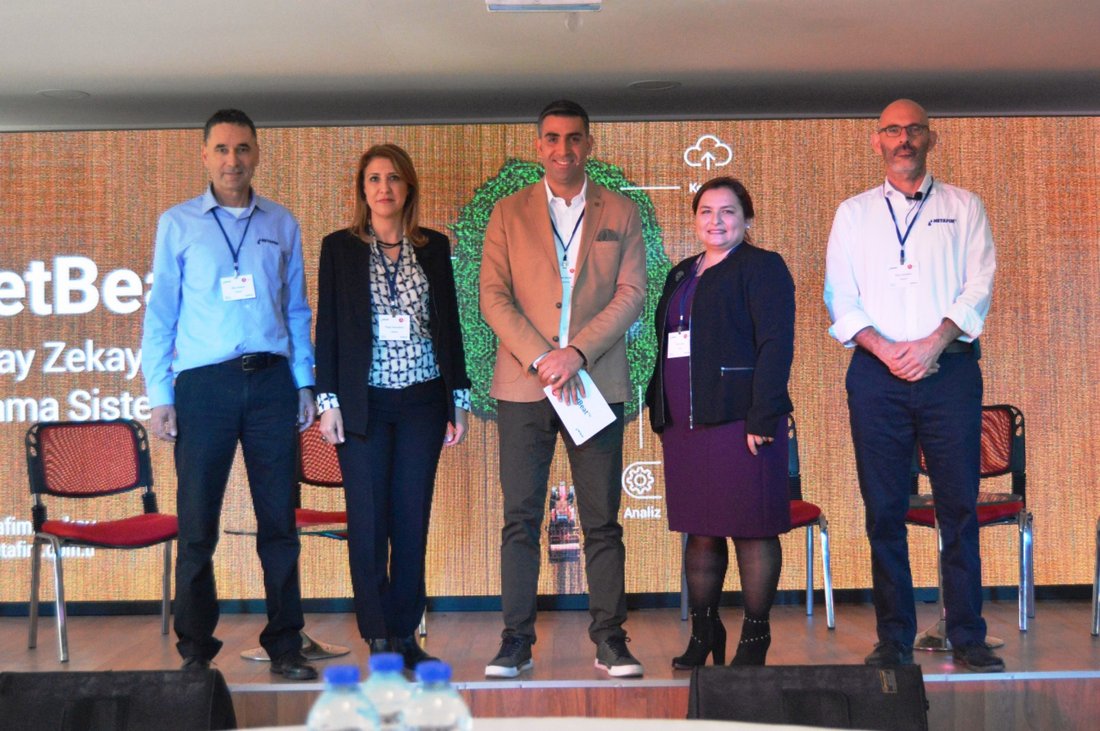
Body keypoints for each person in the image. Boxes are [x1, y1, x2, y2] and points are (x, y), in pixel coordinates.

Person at [824, 98, 1002, 672]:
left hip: (949, 371)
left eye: (914, 130)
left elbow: (979, 285)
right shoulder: (853, 213)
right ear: (877, 141)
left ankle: (967, 634)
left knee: (958, 507)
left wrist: (932, 344)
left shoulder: (964, 206)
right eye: (893, 130)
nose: (904, 139)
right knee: (883, 510)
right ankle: (894, 638)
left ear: (931, 139)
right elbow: (839, 296)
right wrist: (886, 350)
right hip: (876, 376)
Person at [142, 108, 318, 680]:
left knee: (279, 524)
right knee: (197, 525)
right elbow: (161, 314)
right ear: (204, 155)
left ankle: (286, 644)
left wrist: (304, 382)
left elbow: (296, 310)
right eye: (221, 149)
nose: (232, 160)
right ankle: (195, 650)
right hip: (204, 386)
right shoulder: (178, 224)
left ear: (257, 153)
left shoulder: (281, 222)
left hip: (271, 383)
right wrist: (159, 393)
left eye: (242, 148)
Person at [479, 99, 647, 678]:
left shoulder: (620, 210)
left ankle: (611, 640)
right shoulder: (508, 212)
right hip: (524, 385)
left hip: (594, 381)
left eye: (574, 138)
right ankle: (515, 642)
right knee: (520, 518)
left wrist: (576, 354)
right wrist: (542, 358)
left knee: (602, 520)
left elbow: (632, 293)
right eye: (552, 138)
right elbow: (493, 296)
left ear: (589, 145)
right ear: (538, 147)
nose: (563, 148)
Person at [314, 143, 470, 670]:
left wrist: (458, 399)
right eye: (375, 179)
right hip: (364, 405)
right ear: (363, 189)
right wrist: (328, 401)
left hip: (423, 401)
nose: (384, 188)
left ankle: (404, 633)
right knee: (368, 521)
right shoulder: (339, 248)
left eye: (394, 178)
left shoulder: (434, 246)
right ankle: (378, 634)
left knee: (410, 519)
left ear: (408, 188)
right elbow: (329, 329)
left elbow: (448, 327)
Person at [646, 177, 795, 667]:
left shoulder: (763, 267)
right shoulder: (681, 273)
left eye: (728, 211)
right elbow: (666, 343)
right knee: (701, 530)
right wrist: (657, 406)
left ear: (746, 219)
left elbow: (776, 344)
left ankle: (755, 638)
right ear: (695, 219)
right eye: (706, 211)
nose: (716, 221)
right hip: (685, 425)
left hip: (741, 420)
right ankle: (705, 632)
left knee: (751, 529)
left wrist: (763, 415)